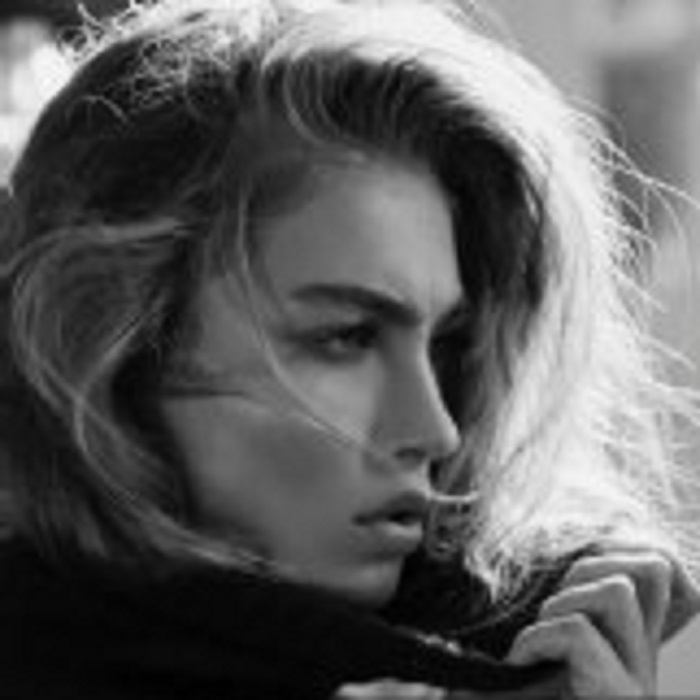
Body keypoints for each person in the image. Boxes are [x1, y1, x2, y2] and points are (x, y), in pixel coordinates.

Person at [0, 0, 697, 698]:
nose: (436, 430)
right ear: (114, 347)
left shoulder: (545, 654)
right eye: (347, 337)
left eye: (448, 344)